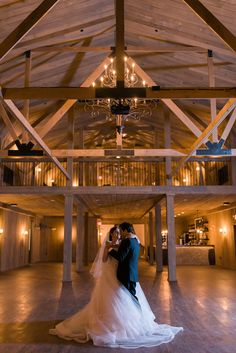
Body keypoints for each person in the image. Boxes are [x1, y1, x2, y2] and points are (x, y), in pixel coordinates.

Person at [49, 224, 183, 348]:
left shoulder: (125, 242)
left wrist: (114, 248)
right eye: (115, 233)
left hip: (121, 275)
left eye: (119, 233)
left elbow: (124, 256)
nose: (118, 235)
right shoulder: (111, 244)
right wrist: (109, 248)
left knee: (124, 299)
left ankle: (127, 323)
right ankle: (112, 324)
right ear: (112, 234)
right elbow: (104, 260)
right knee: (113, 301)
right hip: (111, 275)